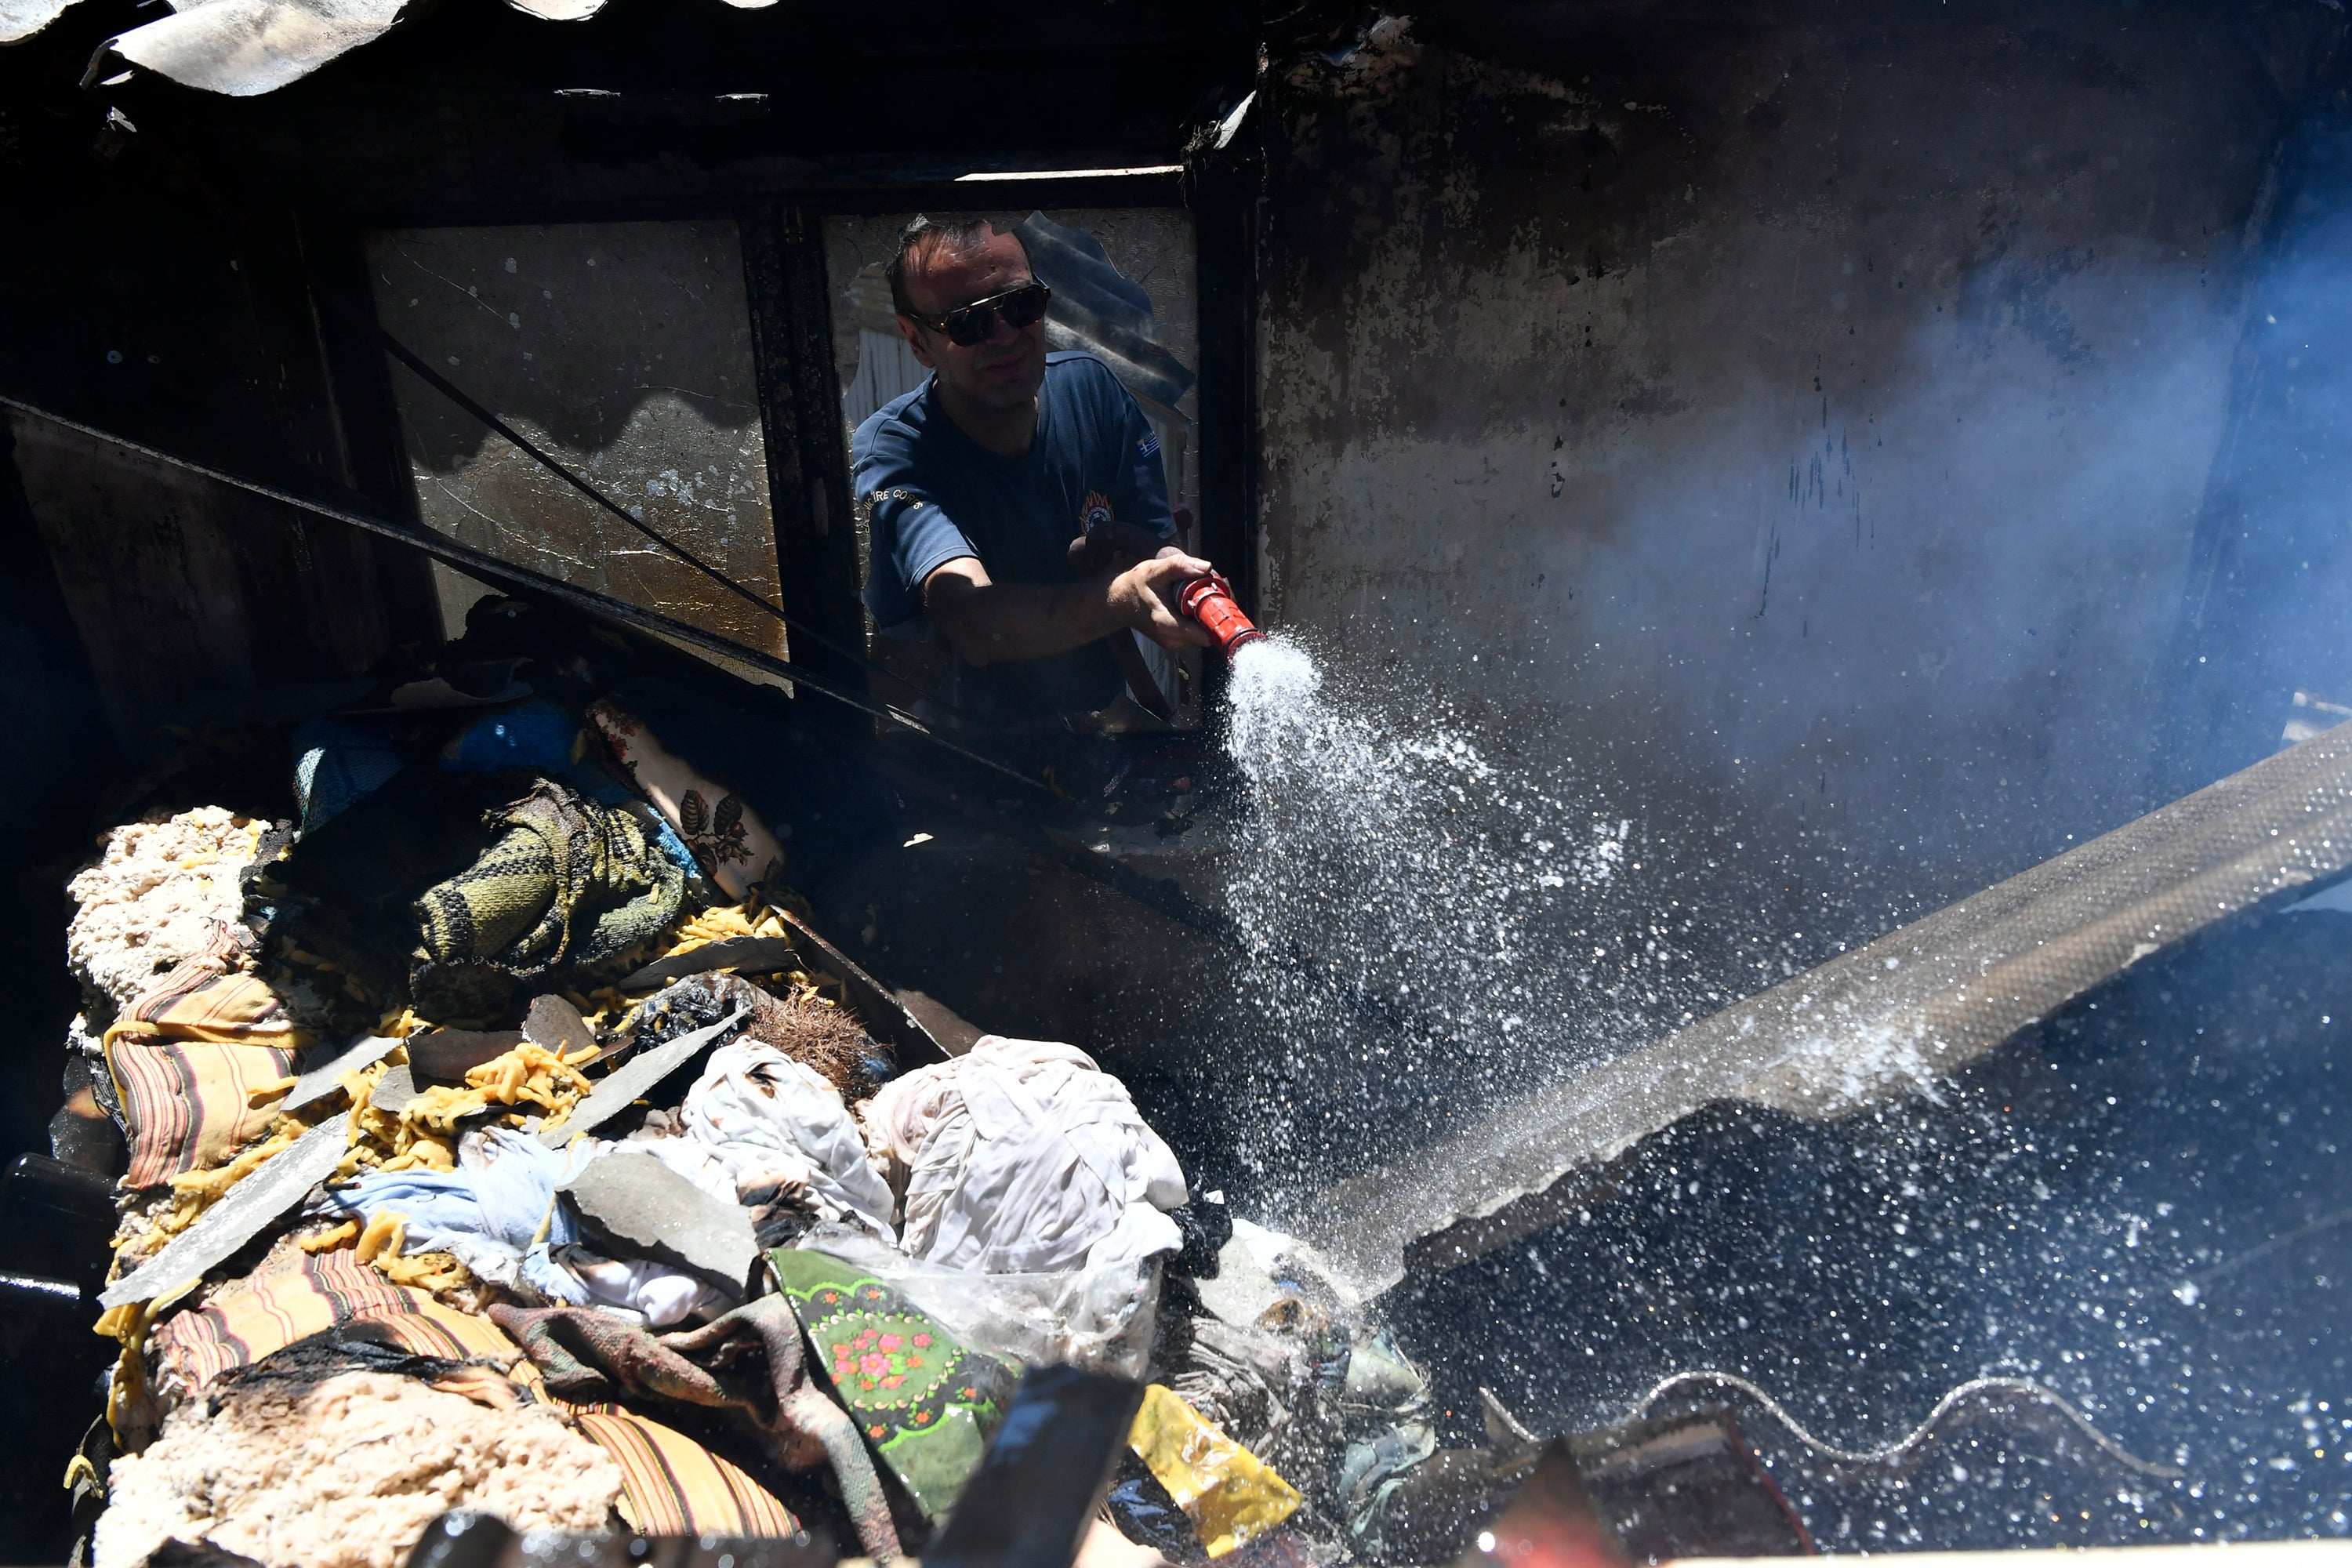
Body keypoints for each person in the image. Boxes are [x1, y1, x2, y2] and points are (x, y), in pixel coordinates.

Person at [851, 215, 1221, 728]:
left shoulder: (1094, 393)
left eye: (1021, 306)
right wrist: (1117, 598)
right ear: (917, 341)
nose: (1005, 337)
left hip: (1087, 728)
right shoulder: (895, 450)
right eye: (968, 322)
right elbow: (971, 617)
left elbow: (1142, 556)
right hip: (953, 748)